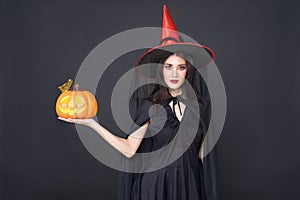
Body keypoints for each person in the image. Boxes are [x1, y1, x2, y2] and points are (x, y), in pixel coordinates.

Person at [59, 5, 220, 200]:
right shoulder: (150, 107)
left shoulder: (200, 109)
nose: (174, 73)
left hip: (190, 185)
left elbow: (203, 157)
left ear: (188, 71)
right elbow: (129, 150)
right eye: (168, 67)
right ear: (160, 70)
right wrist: (92, 123)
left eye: (181, 67)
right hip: (155, 187)